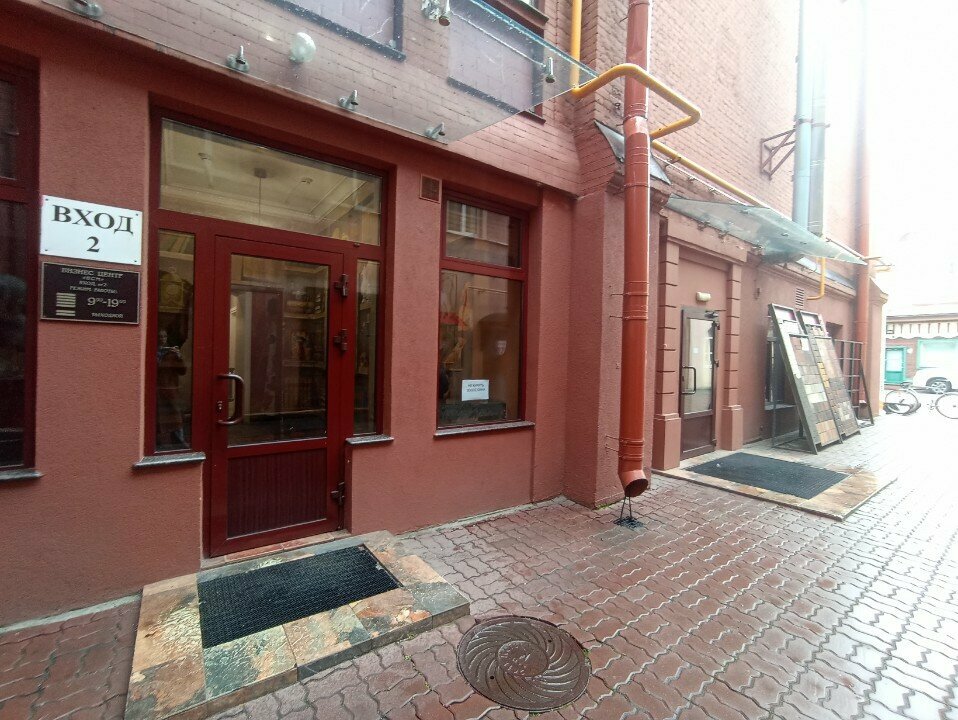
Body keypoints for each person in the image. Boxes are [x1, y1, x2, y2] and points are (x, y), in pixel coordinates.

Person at [156, 329, 188, 448]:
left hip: (169, 390)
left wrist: (179, 357)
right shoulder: (151, 351)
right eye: (160, 336)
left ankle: (180, 441)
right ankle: (160, 443)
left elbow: (182, 371)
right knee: (157, 417)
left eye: (164, 336)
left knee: (175, 417)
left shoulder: (171, 353)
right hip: (155, 390)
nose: (162, 339)